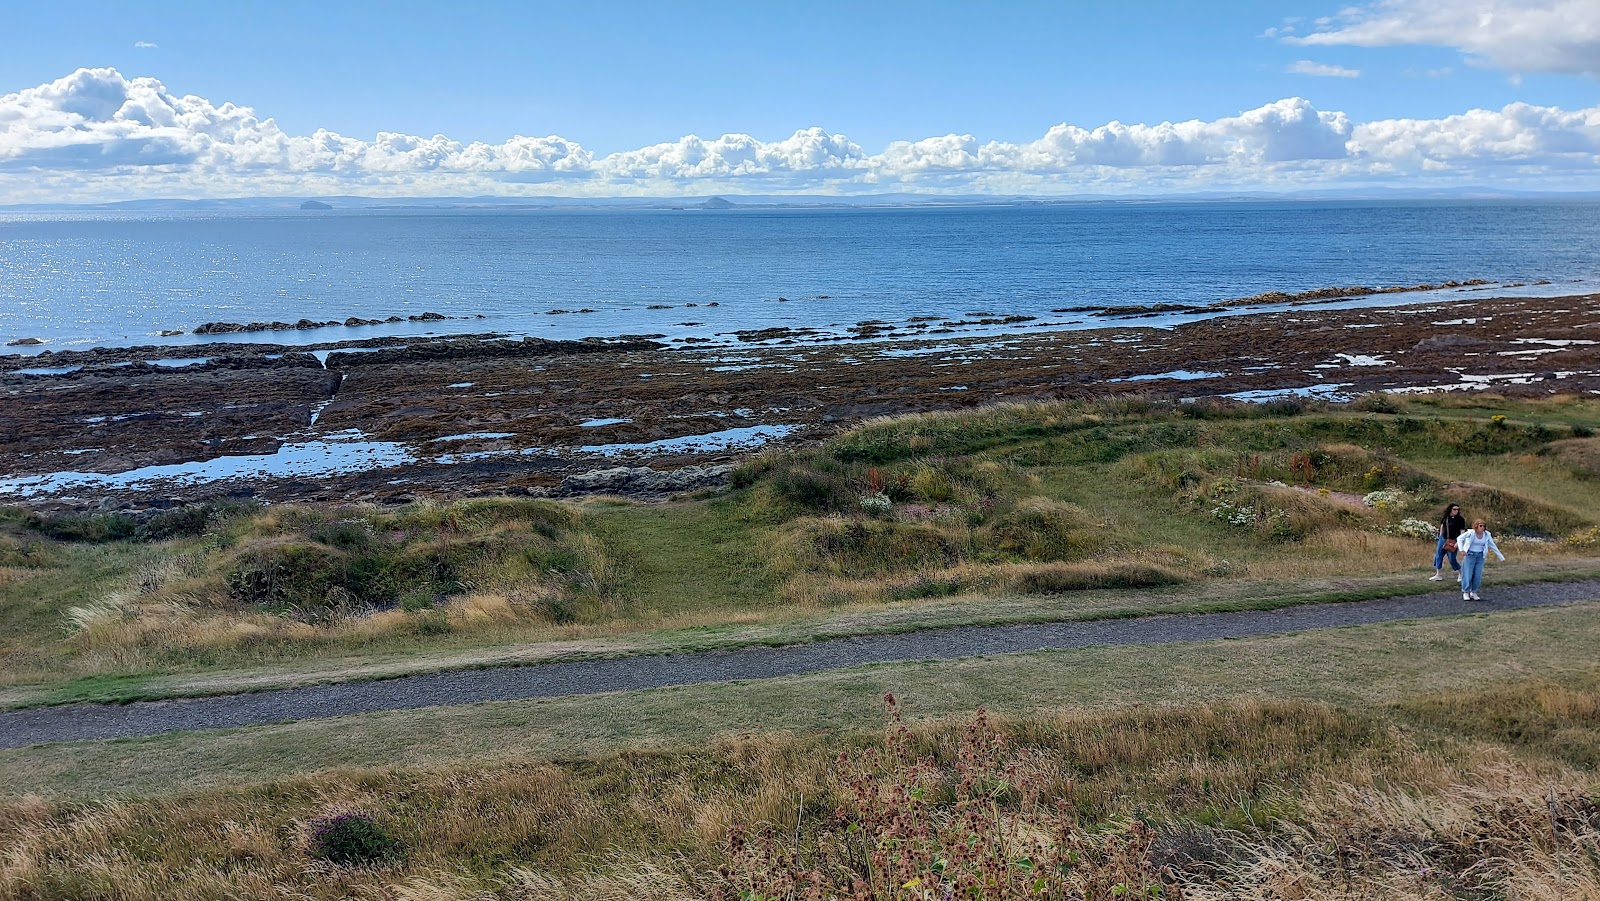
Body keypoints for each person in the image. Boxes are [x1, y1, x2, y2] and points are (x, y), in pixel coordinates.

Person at [1456, 519, 1505, 601]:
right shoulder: (1471, 533)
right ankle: (1465, 591)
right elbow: (1460, 538)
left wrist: (1501, 557)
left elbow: (1492, 545)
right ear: (1476, 526)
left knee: (1477, 575)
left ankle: (1474, 591)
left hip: (1480, 556)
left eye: (1484, 526)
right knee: (1467, 574)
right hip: (1470, 555)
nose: (1482, 528)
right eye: (1480, 526)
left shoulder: (1487, 535)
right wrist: (1462, 550)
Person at [1429, 503, 1467, 581]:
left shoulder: (1460, 519)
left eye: (1458, 509)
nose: (1456, 511)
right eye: (1454, 509)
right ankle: (1438, 574)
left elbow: (1462, 531)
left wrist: (1459, 542)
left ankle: (1461, 572)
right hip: (1443, 538)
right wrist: (1440, 536)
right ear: (1450, 510)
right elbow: (1442, 526)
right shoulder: (1446, 517)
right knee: (1438, 555)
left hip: (1454, 540)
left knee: (1452, 558)